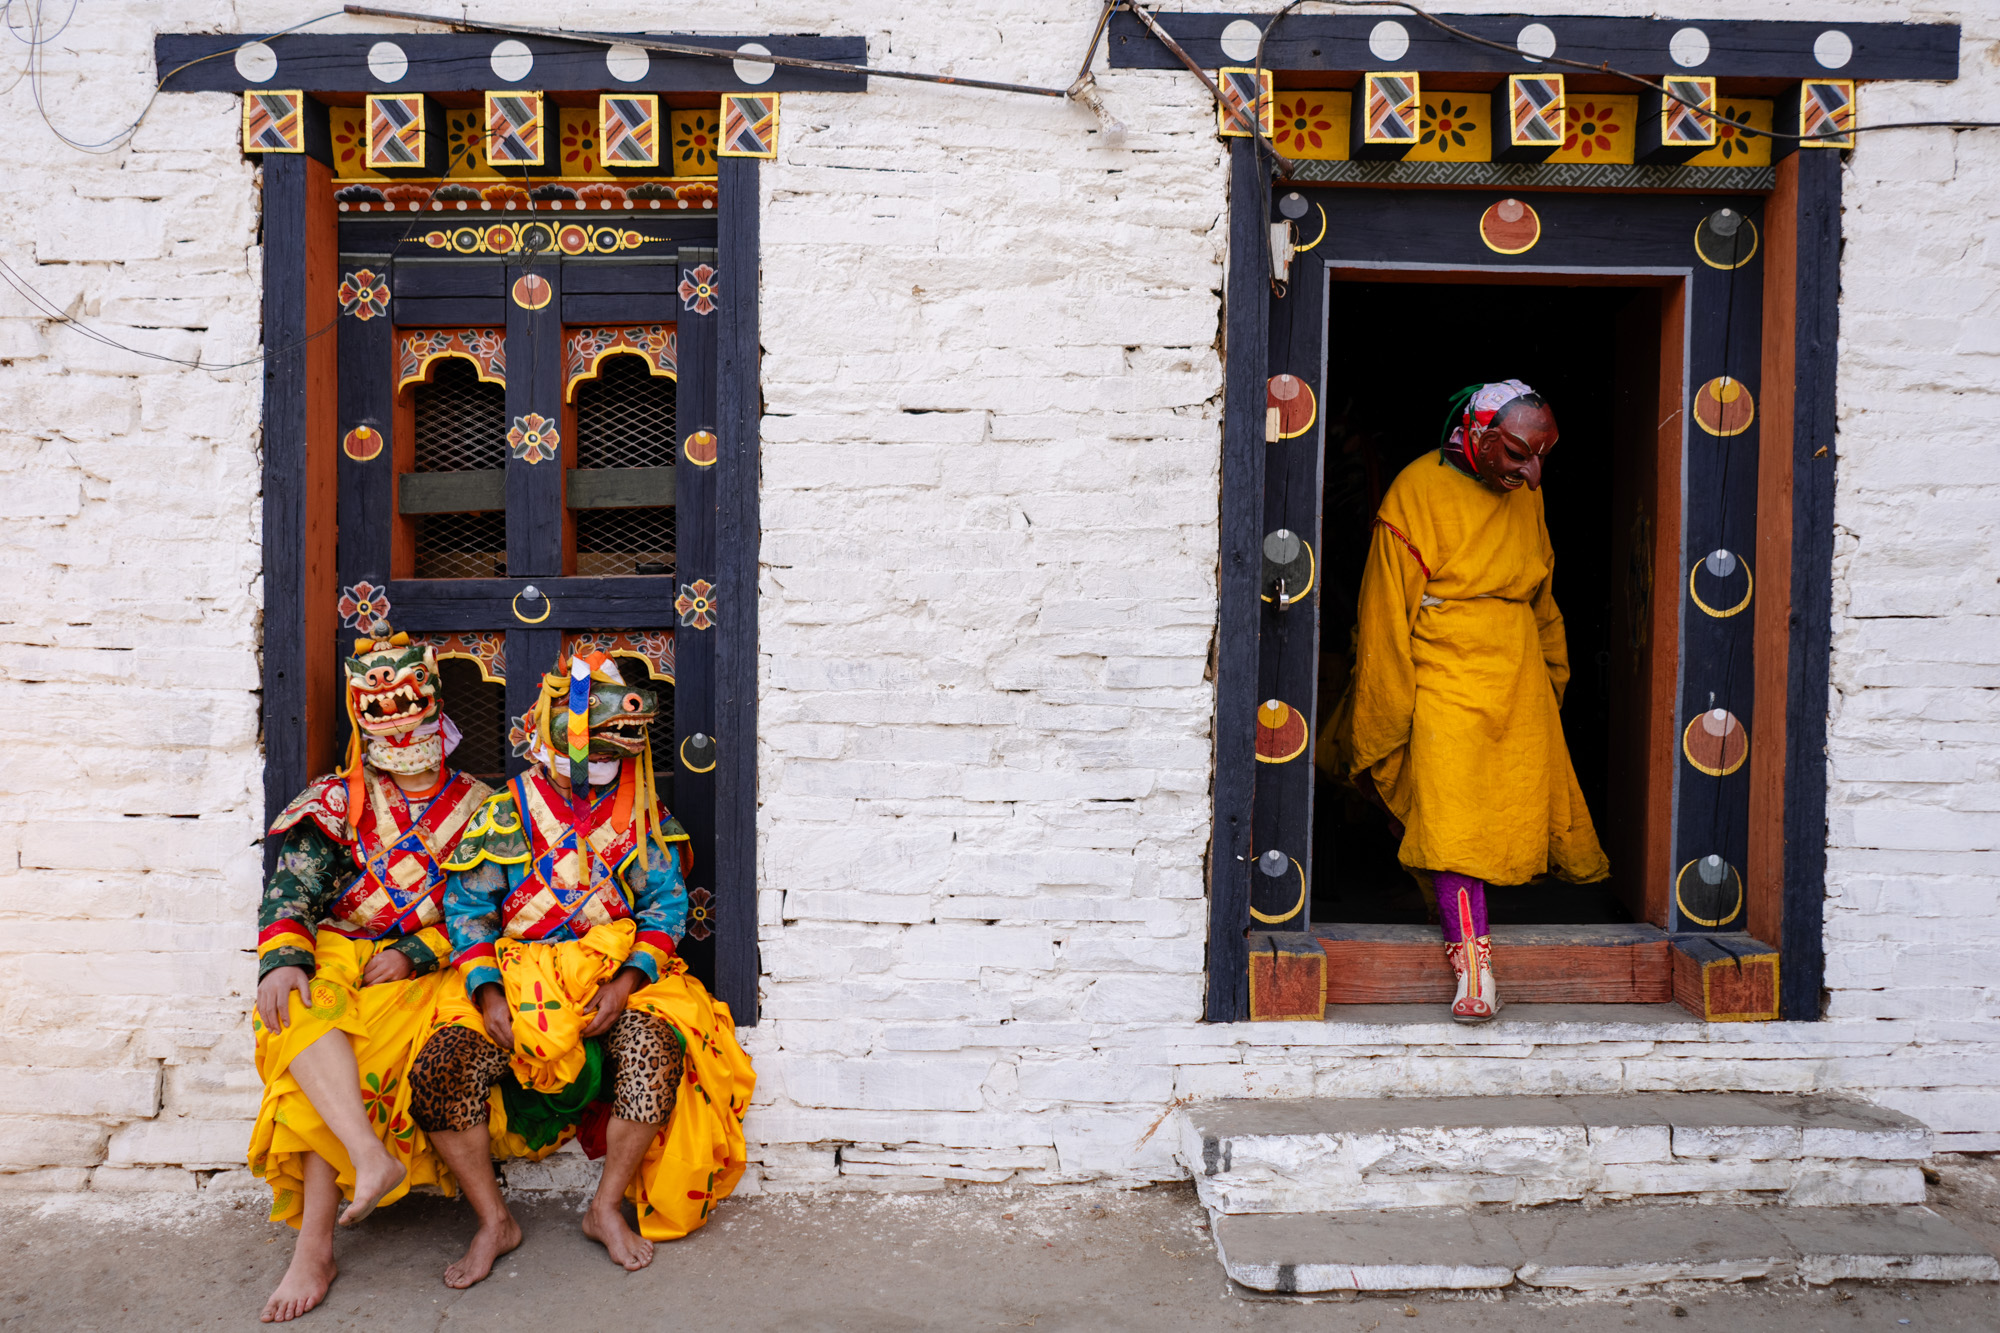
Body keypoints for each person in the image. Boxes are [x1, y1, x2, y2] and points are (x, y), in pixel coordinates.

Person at [408, 650, 753, 1288]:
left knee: (654, 1048)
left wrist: (625, 985)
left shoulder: (639, 812)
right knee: (440, 1067)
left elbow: (665, 908)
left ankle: (603, 1207)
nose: (603, 769)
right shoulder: (506, 813)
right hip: (517, 978)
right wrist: (487, 997)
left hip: (613, 973)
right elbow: (469, 914)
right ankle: (493, 1221)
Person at [1333, 380, 1609, 1022]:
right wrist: (1387, 705)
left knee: (1496, 810)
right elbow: (1383, 612)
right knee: (1451, 822)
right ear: (1478, 437)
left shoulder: (1525, 494)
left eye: (1542, 456)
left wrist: (1551, 676)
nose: (1532, 473)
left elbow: (1542, 595)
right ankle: (1475, 969)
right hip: (1440, 673)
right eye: (1517, 453)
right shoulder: (1415, 491)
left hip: (1514, 672)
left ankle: (1445, 914)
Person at [249, 626, 495, 1322]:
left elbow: (493, 912)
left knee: (350, 1060)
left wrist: (416, 950)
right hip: (342, 949)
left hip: (426, 970)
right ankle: (366, 1154)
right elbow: (292, 887)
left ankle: (314, 1246)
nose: (396, 715)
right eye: (378, 706)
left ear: (434, 701)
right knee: (298, 1012)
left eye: (408, 701)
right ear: (361, 713)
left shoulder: (481, 807)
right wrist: (283, 956)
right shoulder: (338, 798)